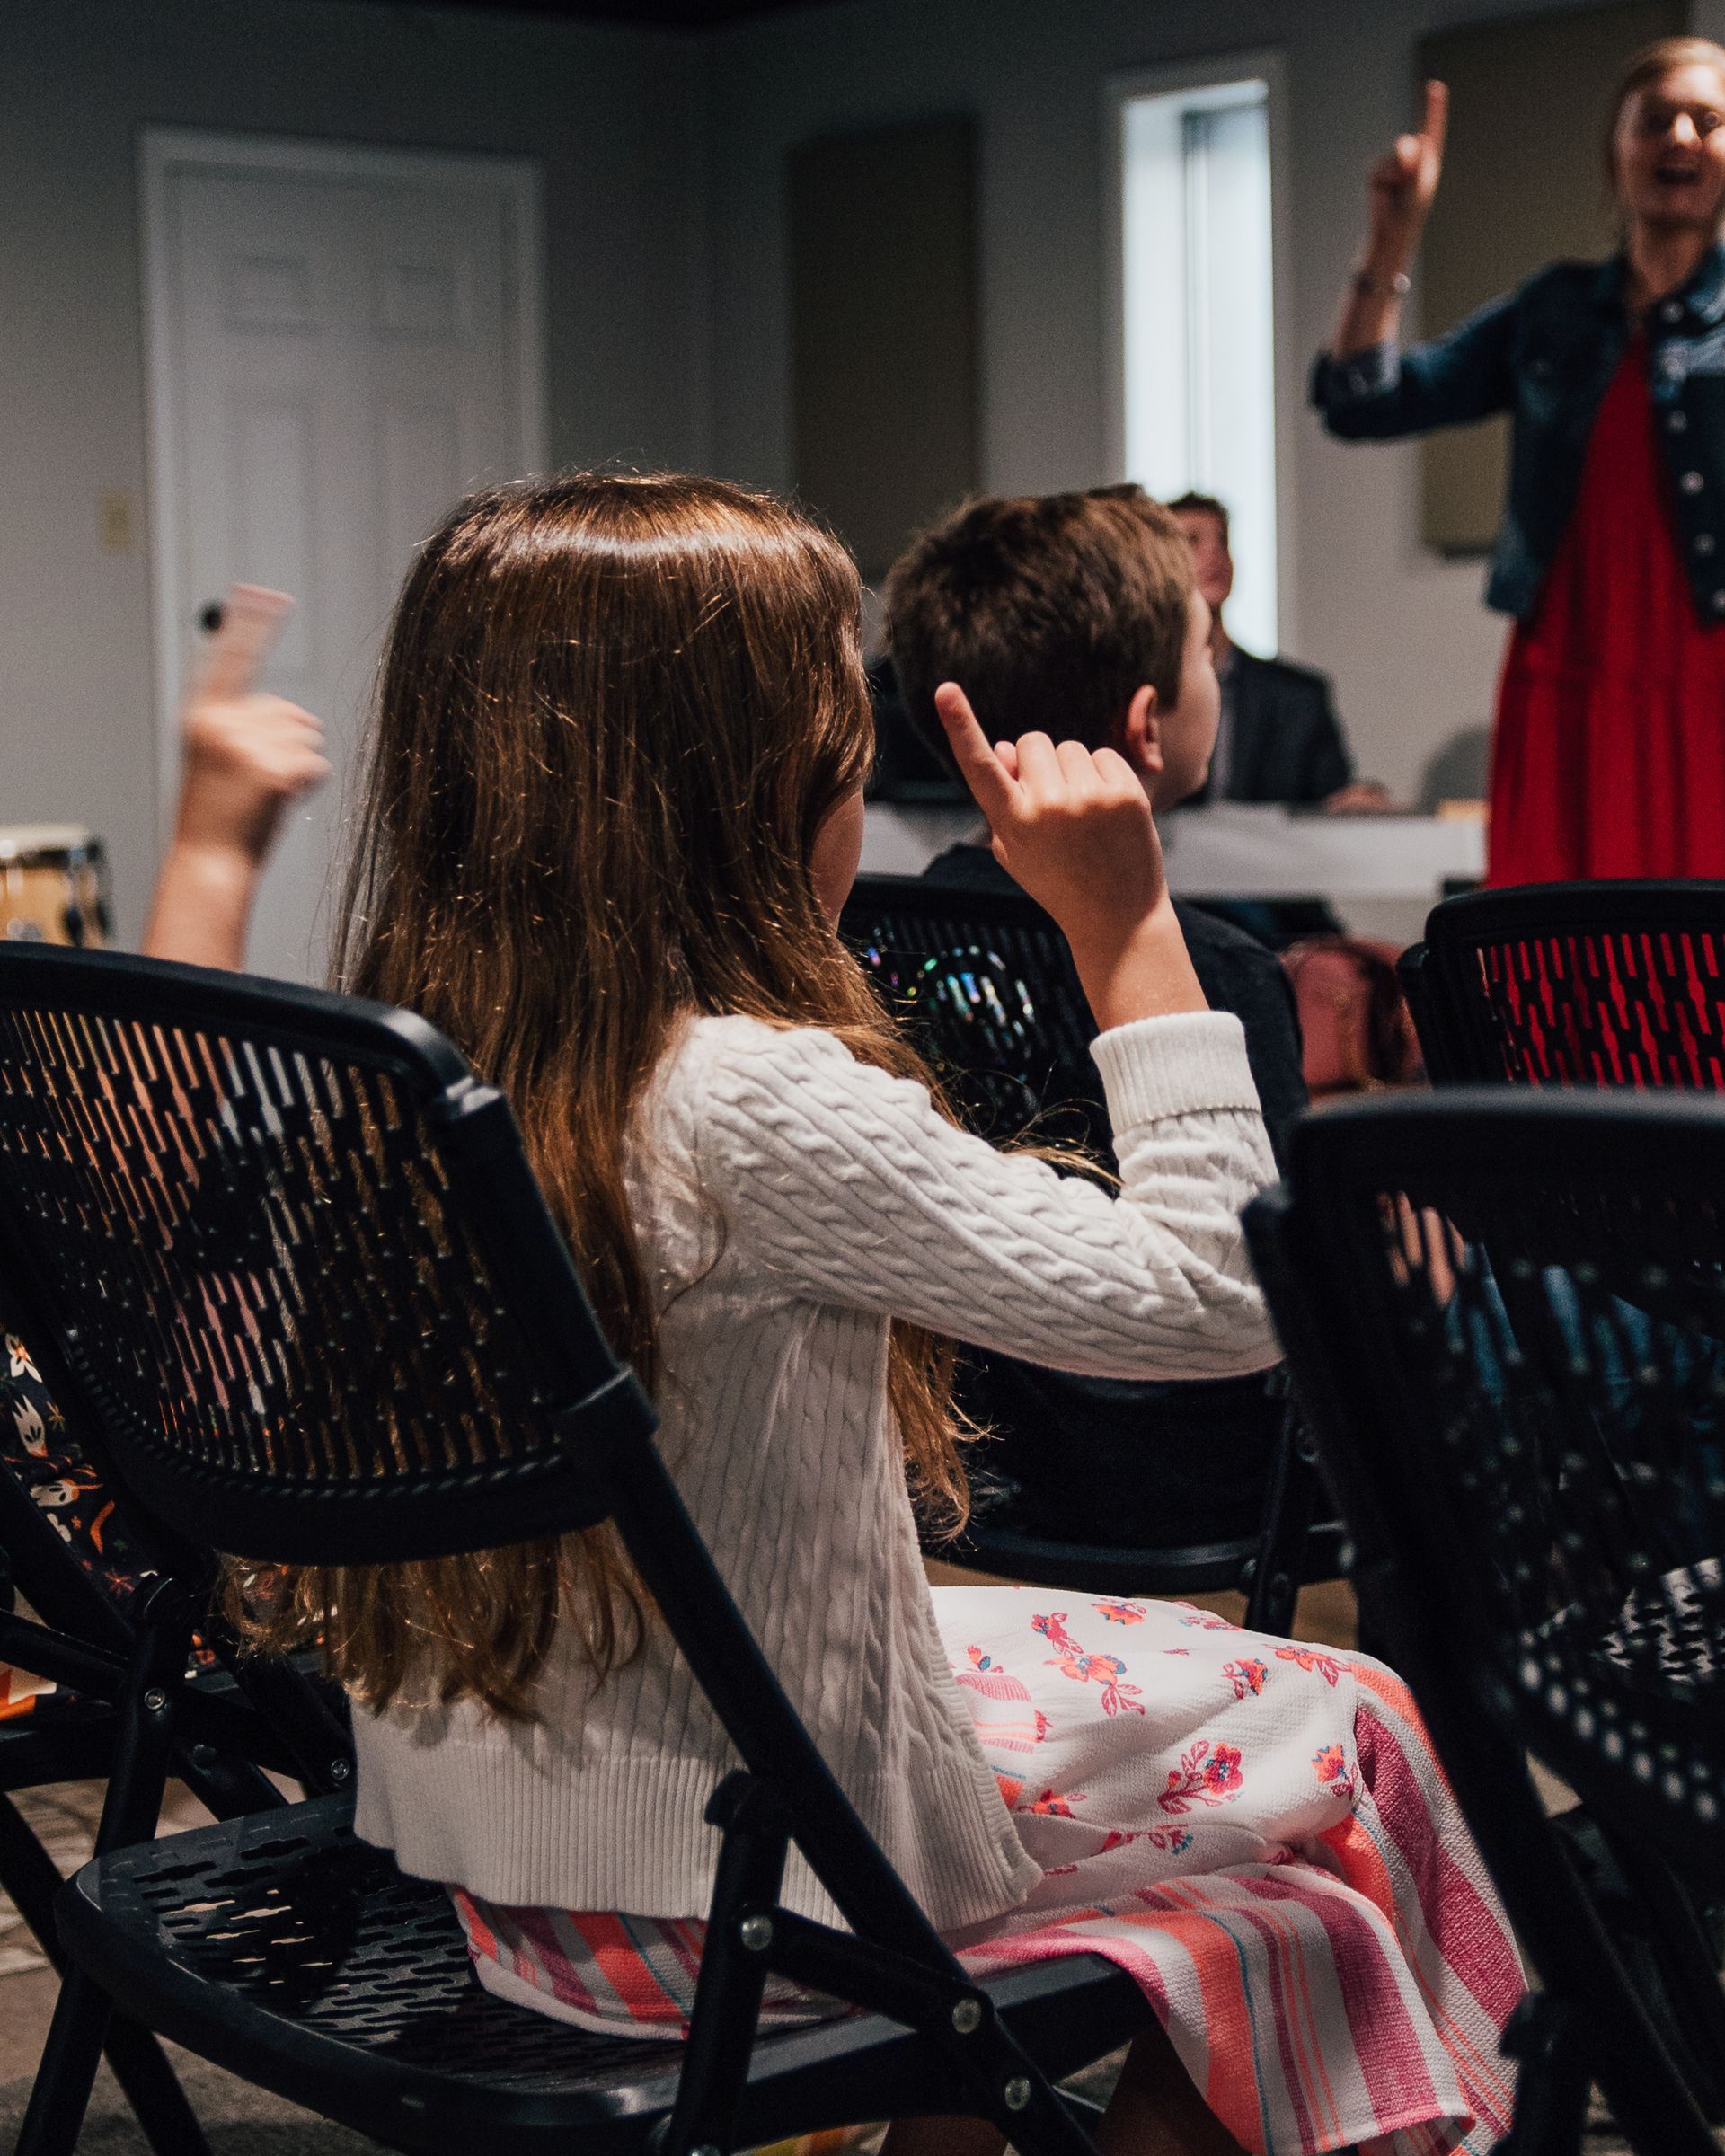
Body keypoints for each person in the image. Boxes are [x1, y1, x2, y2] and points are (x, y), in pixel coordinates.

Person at [145, 476, 1521, 2156]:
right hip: (732, 1905)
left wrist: (209, 849)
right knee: (1354, 1773)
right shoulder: (745, 1099)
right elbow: (1221, 1298)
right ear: (755, 789)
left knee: (1240, 1722)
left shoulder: (403, 1063)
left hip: (506, 1858)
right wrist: (1129, 926)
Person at [883, 488, 1309, 1555]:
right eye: (1208, 654)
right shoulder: (1219, 976)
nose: (1219, 676)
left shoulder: (878, 939)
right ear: (1145, 725)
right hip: (1193, 1485)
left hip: (957, 1474)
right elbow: (1286, 1283)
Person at [1314, 40, 1725, 885]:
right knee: (1559, 938)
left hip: (1708, 678)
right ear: (1615, 156)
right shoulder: (1553, 309)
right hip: (1565, 673)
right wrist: (1393, 240)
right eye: (1655, 121)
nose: (1680, 136)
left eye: (1707, 121)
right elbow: (1363, 403)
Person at [1161, 492, 1391, 812]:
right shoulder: (1138, 691)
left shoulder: (1298, 696)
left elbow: (1332, 800)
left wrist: (1359, 800)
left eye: (1222, 541)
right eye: (1192, 541)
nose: (1214, 553)